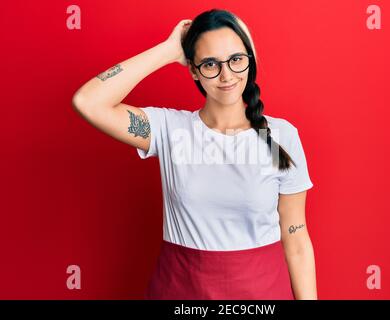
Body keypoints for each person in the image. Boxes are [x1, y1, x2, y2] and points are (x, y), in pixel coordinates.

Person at [72, 8, 317, 300]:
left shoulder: (281, 136)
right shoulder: (169, 129)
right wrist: (166, 51)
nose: (226, 75)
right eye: (210, 64)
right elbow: (88, 101)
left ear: (250, 60)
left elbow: (296, 237)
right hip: (180, 293)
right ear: (193, 69)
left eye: (236, 60)